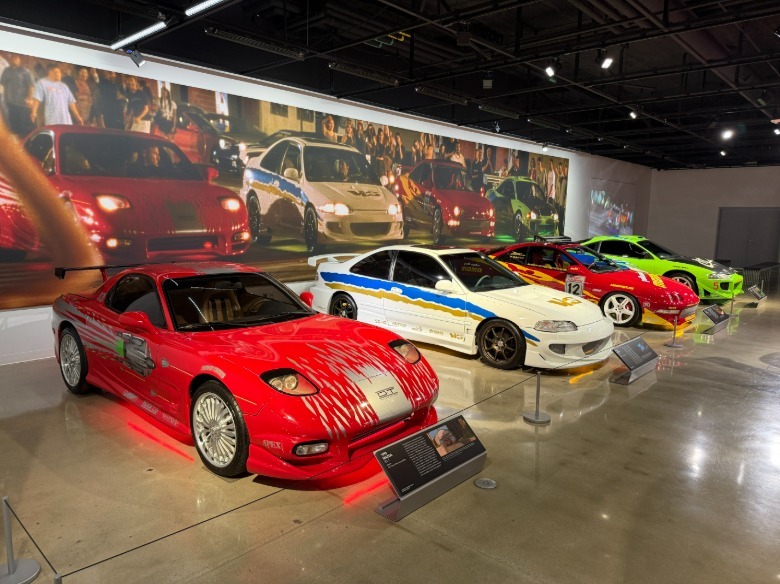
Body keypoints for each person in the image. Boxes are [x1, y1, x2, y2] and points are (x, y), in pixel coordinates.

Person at [0, 54, 35, 136]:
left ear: (19, 59)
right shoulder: (6, 71)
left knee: (23, 127)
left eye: (16, 58)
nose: (13, 60)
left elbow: (31, 86)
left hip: (23, 104)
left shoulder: (25, 71)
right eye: (12, 58)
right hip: (10, 103)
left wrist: (29, 98)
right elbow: (2, 84)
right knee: (13, 126)